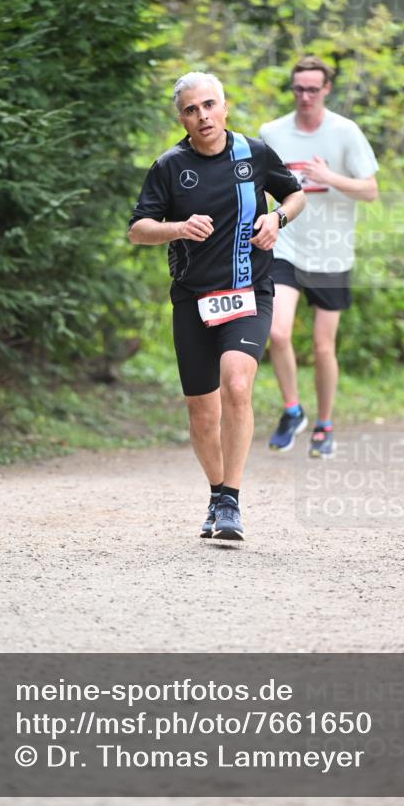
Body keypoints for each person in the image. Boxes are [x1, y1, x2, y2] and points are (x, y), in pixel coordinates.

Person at [128, 72, 305, 540]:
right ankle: (215, 492)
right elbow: (138, 228)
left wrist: (277, 218)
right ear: (181, 118)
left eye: (209, 105)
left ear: (225, 107)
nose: (202, 116)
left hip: (250, 292)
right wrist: (179, 227)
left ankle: (231, 501)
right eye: (191, 109)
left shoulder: (254, 153)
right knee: (201, 411)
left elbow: (296, 193)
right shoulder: (169, 166)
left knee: (237, 383)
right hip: (193, 299)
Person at [259, 55, 379, 458]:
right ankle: (292, 410)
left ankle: (324, 424)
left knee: (323, 346)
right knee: (277, 332)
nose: (305, 96)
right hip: (285, 246)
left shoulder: (345, 132)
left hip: (331, 252)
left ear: (326, 89)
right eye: (299, 89)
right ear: (292, 89)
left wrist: (329, 178)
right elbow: (260, 187)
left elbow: (371, 190)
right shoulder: (271, 132)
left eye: (313, 89)